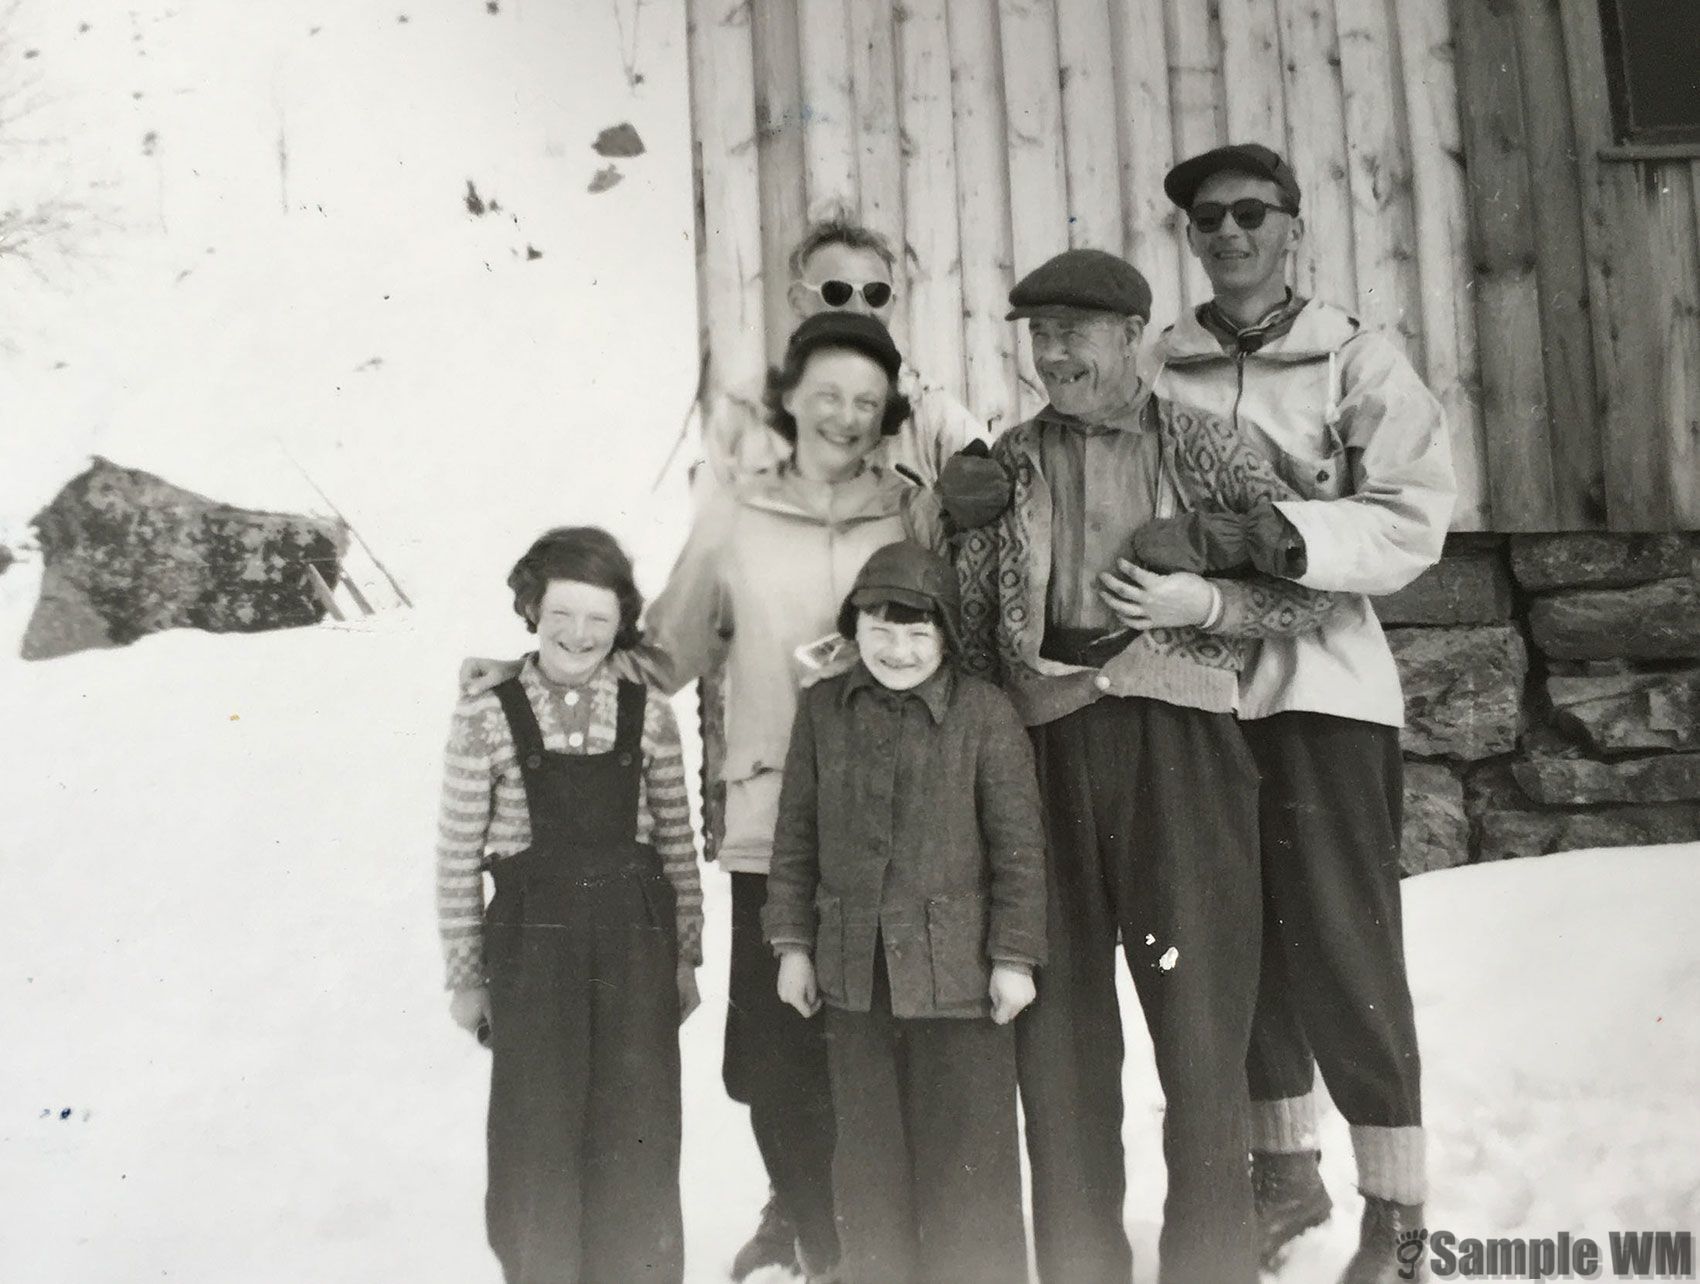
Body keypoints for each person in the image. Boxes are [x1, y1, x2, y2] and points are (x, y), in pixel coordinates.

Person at [462, 311, 930, 1282]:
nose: (844, 416)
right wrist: (541, 677)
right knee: (776, 1052)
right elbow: (663, 652)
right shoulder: (736, 517)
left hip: (900, 823)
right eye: (825, 395)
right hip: (772, 822)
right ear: (788, 401)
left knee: (887, 1048)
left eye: (865, 402)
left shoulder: (911, 513)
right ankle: (819, 1239)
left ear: (886, 416)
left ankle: (884, 1248)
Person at [949, 247, 1350, 1284]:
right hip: (1040, 753)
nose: (1052, 352)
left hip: (1181, 752)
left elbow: (1310, 595)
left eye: (1074, 330)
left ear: (1133, 335)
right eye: (1037, 333)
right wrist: (953, 522)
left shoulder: (1205, 445)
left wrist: (1205, 604)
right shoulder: (1006, 457)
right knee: (1058, 1042)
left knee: (1200, 1031)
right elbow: (950, 622)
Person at [1142, 143, 1455, 1284]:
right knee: (1235, 938)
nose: (1228, 235)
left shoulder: (1353, 357)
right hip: (1195, 684)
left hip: (1321, 685)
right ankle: (1281, 1172)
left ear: (1290, 226)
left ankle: (1397, 1206)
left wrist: (1278, 534)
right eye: (1205, 220)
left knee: (1339, 939)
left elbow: (1411, 517)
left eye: (1249, 214)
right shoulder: (1154, 365)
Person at [762, 540, 1046, 1284]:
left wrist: (1014, 960)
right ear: (852, 627)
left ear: (948, 637)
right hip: (855, 980)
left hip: (961, 983)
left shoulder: (985, 714)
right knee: (869, 1164)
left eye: (919, 634)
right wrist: (792, 944)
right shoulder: (823, 710)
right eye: (881, 630)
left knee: (969, 1165)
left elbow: (1019, 849)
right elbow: (794, 834)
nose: (898, 649)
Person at [434, 526, 704, 1284]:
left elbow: (677, 845)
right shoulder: (486, 716)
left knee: (638, 1131)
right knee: (537, 1140)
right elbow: (456, 858)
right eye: (562, 614)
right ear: (530, 609)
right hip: (532, 948)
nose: (579, 634)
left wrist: (685, 957)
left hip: (633, 949)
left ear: (621, 622)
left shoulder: (648, 715)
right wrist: (466, 976)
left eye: (598, 618)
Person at [700, 213, 988, 493]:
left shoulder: (927, 409)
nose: (859, 310)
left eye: (876, 294)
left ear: (892, 303)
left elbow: (997, 487)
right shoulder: (744, 417)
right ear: (799, 302)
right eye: (837, 292)